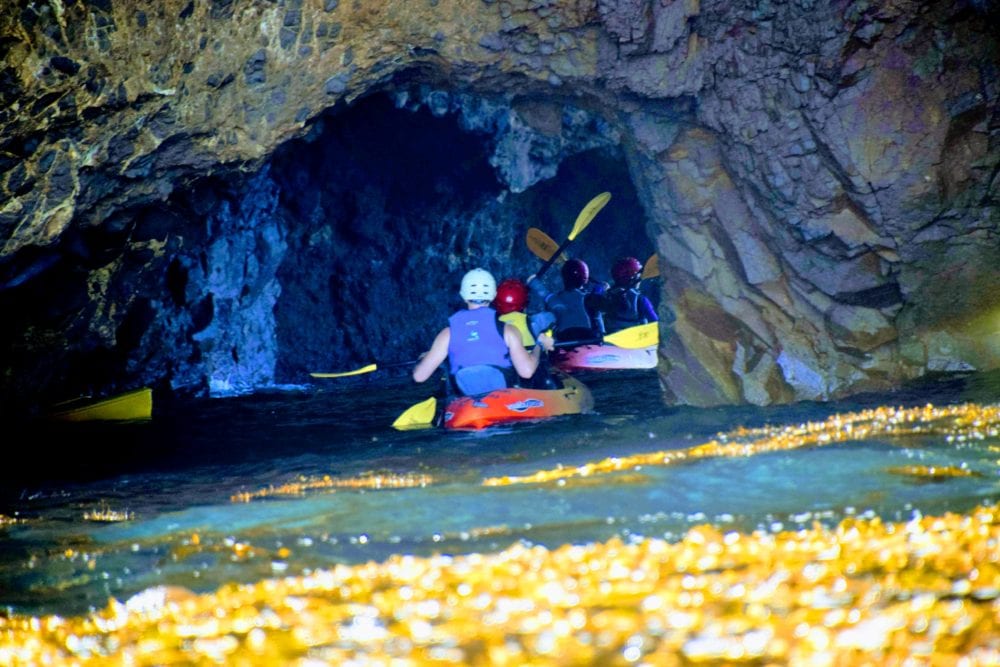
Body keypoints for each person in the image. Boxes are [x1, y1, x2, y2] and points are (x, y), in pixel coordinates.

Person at [413, 268, 555, 397]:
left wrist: (424, 360)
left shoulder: (447, 333)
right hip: (504, 399)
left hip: (466, 402)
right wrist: (539, 345)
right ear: (493, 295)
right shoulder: (507, 330)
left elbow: (419, 377)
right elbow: (527, 371)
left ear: (463, 295)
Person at [527, 258, 606, 343]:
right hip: (590, 342)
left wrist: (533, 281)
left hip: (564, 343)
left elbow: (541, 290)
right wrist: (600, 290)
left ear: (564, 277)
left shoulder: (555, 299)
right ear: (585, 278)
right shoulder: (589, 298)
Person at [600, 256, 659, 333]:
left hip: (610, 341)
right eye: (638, 276)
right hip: (637, 342)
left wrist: (601, 288)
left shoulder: (606, 295)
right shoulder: (640, 299)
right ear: (632, 278)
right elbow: (656, 323)